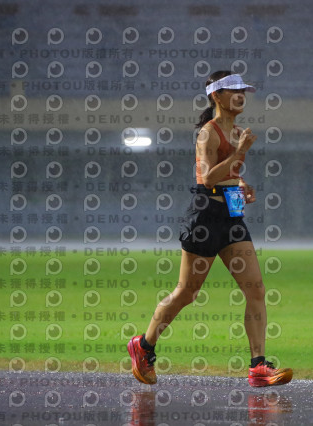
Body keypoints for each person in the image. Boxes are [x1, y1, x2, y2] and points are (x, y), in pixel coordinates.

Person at [127, 71, 293, 387]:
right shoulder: (208, 133)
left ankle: (258, 366)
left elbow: (226, 174)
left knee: (255, 289)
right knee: (187, 293)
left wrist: (240, 183)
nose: (241, 95)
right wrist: (241, 152)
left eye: (243, 90)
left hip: (231, 217)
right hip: (205, 218)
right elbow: (207, 178)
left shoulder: (237, 131)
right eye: (233, 90)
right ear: (216, 96)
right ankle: (144, 346)